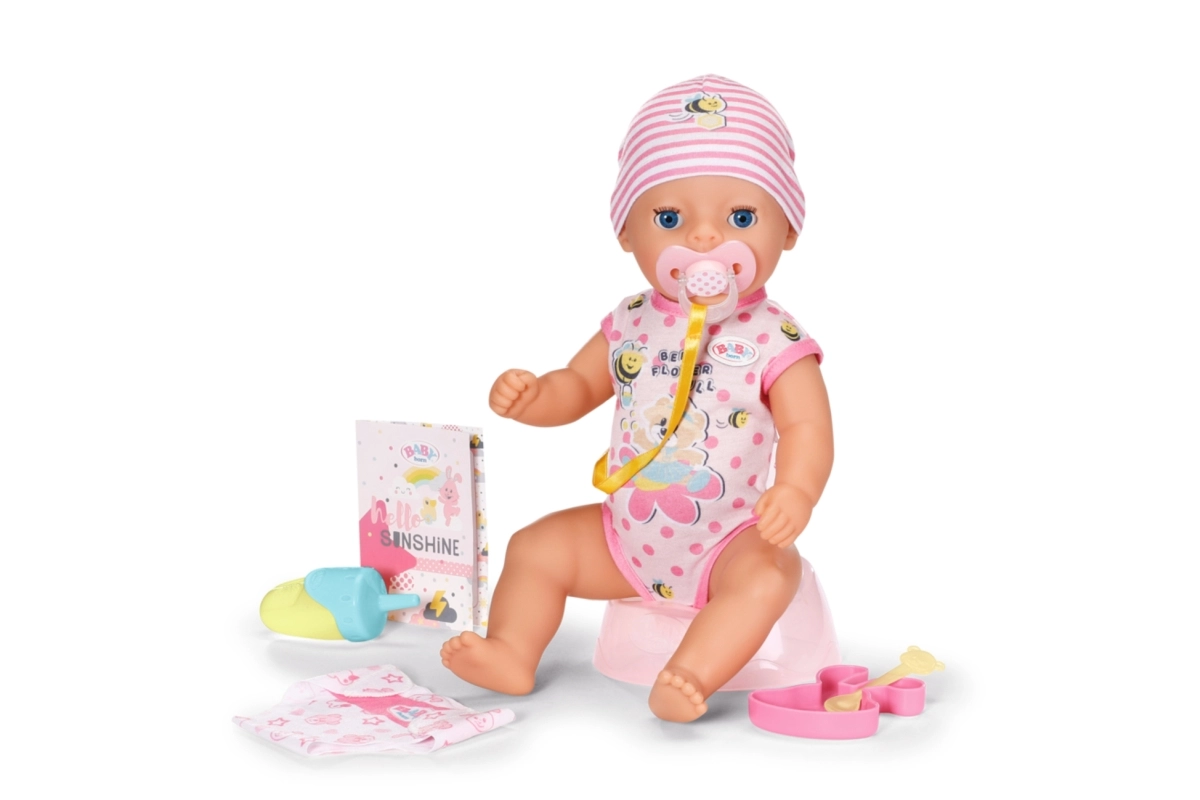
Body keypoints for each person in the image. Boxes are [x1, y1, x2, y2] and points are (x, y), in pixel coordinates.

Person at [441, 75, 833, 723]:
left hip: (732, 538)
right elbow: (578, 387)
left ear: (788, 230)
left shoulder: (775, 336)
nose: (704, 238)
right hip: (624, 534)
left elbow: (808, 426)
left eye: (740, 218)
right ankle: (511, 651)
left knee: (766, 578)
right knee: (537, 547)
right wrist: (536, 396)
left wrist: (796, 490)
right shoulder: (630, 322)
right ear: (626, 233)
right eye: (670, 219)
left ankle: (690, 674)